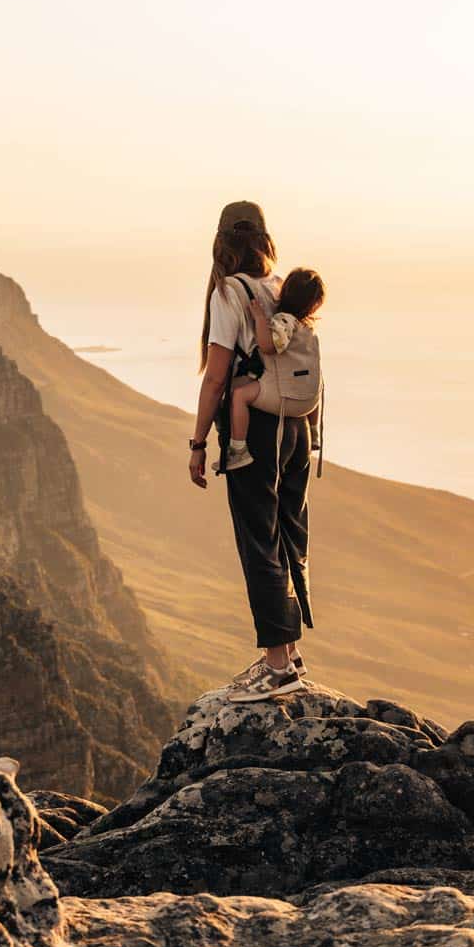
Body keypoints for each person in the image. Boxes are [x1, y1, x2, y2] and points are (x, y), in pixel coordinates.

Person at [187, 201, 315, 702]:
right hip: (295, 428)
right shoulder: (279, 286)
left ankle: (278, 666)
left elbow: (216, 377)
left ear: (221, 243)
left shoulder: (229, 292)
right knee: (287, 535)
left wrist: (199, 443)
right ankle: (290, 653)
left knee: (258, 540)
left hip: (255, 430)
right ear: (264, 239)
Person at [217, 267, 327, 474]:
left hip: (285, 399)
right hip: (309, 403)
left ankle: (238, 449)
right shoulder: (308, 327)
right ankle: (314, 434)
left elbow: (268, 346)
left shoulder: (284, 321)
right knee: (313, 378)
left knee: (238, 396)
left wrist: (260, 318)